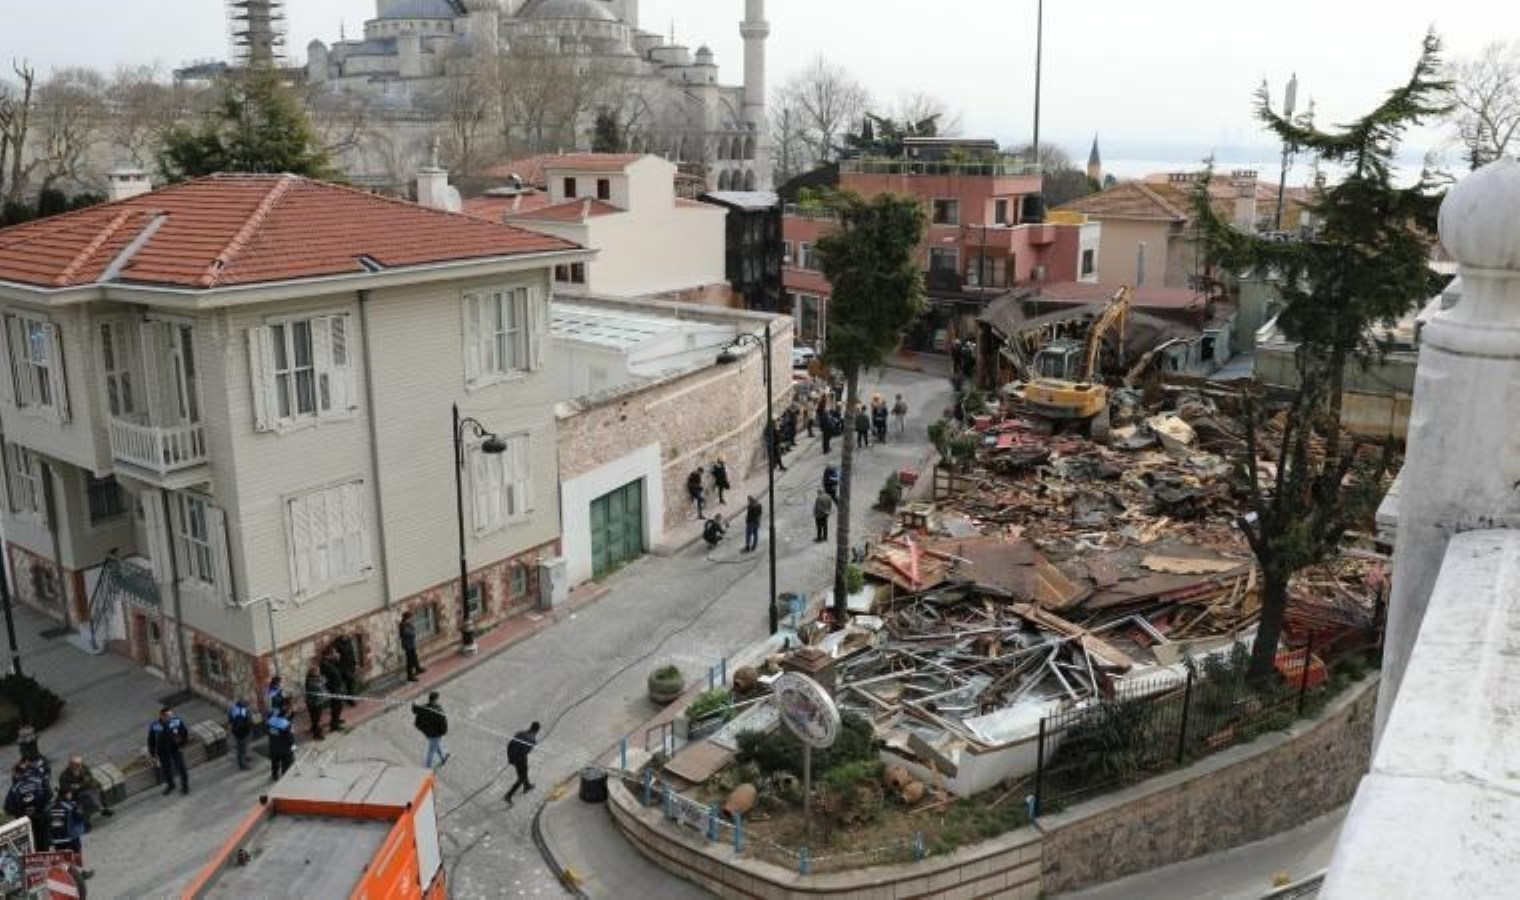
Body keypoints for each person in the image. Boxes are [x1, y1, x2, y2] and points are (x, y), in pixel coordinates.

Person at [6, 760, 52, 850]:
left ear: (17, 773)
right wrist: (39, 807)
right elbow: (49, 795)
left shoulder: (15, 788)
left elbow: (9, 808)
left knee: (31, 847)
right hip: (42, 817)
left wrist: (21, 812)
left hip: (25, 821)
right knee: (45, 846)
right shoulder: (39, 780)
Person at [147, 707, 190, 796]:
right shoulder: (155, 725)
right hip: (162, 751)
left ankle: (185, 786)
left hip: (175, 748)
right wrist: (153, 754)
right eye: (169, 716)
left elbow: (184, 733)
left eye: (172, 715)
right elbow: (151, 740)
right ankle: (171, 785)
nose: (172, 717)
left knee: (181, 768)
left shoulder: (177, 721)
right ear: (162, 716)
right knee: (166, 770)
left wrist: (183, 744)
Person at [58, 756, 111, 827]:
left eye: (80, 764)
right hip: (74, 794)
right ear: (71, 765)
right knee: (86, 798)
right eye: (76, 764)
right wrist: (73, 788)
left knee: (94, 792)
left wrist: (78, 785)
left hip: (86, 790)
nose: (79, 766)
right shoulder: (64, 775)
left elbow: (89, 779)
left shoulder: (84, 768)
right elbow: (64, 787)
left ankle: (103, 808)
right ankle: (98, 812)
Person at [47, 788, 89, 876]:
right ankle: (81, 871)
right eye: (70, 793)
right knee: (77, 851)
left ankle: (65, 874)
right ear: (67, 794)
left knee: (61, 856)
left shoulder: (49, 806)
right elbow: (80, 817)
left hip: (55, 839)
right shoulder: (71, 805)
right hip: (70, 837)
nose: (71, 795)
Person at [503, 721, 541, 807]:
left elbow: (509, 745)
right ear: (537, 730)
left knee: (525, 771)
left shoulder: (520, 733)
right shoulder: (532, 740)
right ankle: (508, 795)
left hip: (514, 757)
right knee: (521, 778)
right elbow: (526, 752)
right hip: (520, 759)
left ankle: (527, 786)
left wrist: (510, 758)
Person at [412, 691, 450, 769]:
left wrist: (414, 703)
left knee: (435, 744)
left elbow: (415, 710)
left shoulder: (425, 707)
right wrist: (443, 732)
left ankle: (442, 758)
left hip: (427, 732)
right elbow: (443, 723)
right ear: (436, 699)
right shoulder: (438, 710)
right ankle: (427, 768)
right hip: (435, 734)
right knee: (431, 751)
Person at [267, 701, 296, 782]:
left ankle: (274, 775)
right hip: (284, 750)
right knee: (285, 765)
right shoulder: (286, 724)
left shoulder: (270, 721)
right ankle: (284, 779)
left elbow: (268, 732)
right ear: (285, 715)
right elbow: (290, 738)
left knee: (274, 763)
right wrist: (293, 746)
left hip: (273, 747)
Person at [320, 649, 347, 733]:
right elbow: (327, 677)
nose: (336, 654)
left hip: (337, 686)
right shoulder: (324, 664)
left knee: (338, 705)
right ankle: (334, 725)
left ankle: (336, 719)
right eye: (334, 653)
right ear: (328, 655)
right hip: (333, 688)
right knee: (337, 706)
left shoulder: (330, 661)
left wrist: (337, 660)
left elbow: (338, 670)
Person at [333, 633, 360, 707]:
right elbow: (336, 657)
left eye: (346, 636)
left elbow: (352, 653)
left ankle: (349, 699)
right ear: (341, 636)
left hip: (350, 666)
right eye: (344, 636)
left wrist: (355, 663)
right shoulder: (337, 644)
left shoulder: (349, 642)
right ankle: (349, 700)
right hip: (343, 667)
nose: (346, 637)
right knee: (351, 681)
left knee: (349, 684)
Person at [228, 698, 253, 771]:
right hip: (243, 733)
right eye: (247, 706)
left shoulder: (233, 709)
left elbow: (230, 719)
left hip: (236, 732)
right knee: (241, 749)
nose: (248, 707)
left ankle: (244, 758)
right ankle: (242, 765)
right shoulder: (243, 712)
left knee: (241, 748)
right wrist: (250, 727)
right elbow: (247, 723)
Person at [304, 665, 327, 740]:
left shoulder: (311, 679)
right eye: (318, 671)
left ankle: (314, 728)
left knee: (314, 717)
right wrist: (322, 681)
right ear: (314, 672)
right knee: (316, 718)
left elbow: (324, 681)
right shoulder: (312, 681)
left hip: (313, 702)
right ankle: (317, 734)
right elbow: (321, 685)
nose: (319, 672)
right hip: (315, 703)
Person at [400, 611, 424, 682]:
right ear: (407, 618)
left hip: (411, 644)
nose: (412, 619)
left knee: (415, 657)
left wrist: (412, 628)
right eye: (410, 618)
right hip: (408, 645)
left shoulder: (407, 624)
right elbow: (409, 633)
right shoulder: (404, 625)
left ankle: (417, 669)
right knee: (410, 661)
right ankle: (410, 676)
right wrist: (413, 630)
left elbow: (412, 631)